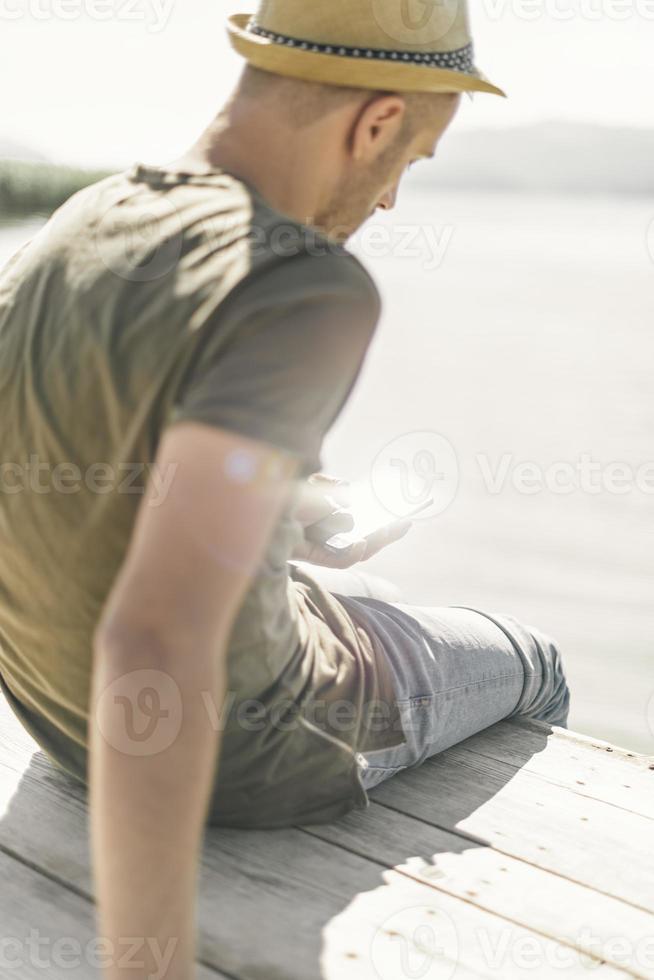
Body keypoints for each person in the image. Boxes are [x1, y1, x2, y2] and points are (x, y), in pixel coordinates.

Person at [0, 1, 570, 976]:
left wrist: (291, 506)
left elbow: (91, 476)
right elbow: (157, 636)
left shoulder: (79, 225)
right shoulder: (302, 283)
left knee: (375, 600)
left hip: (58, 716)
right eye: (411, 162)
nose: (390, 200)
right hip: (256, 748)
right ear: (377, 122)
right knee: (536, 657)